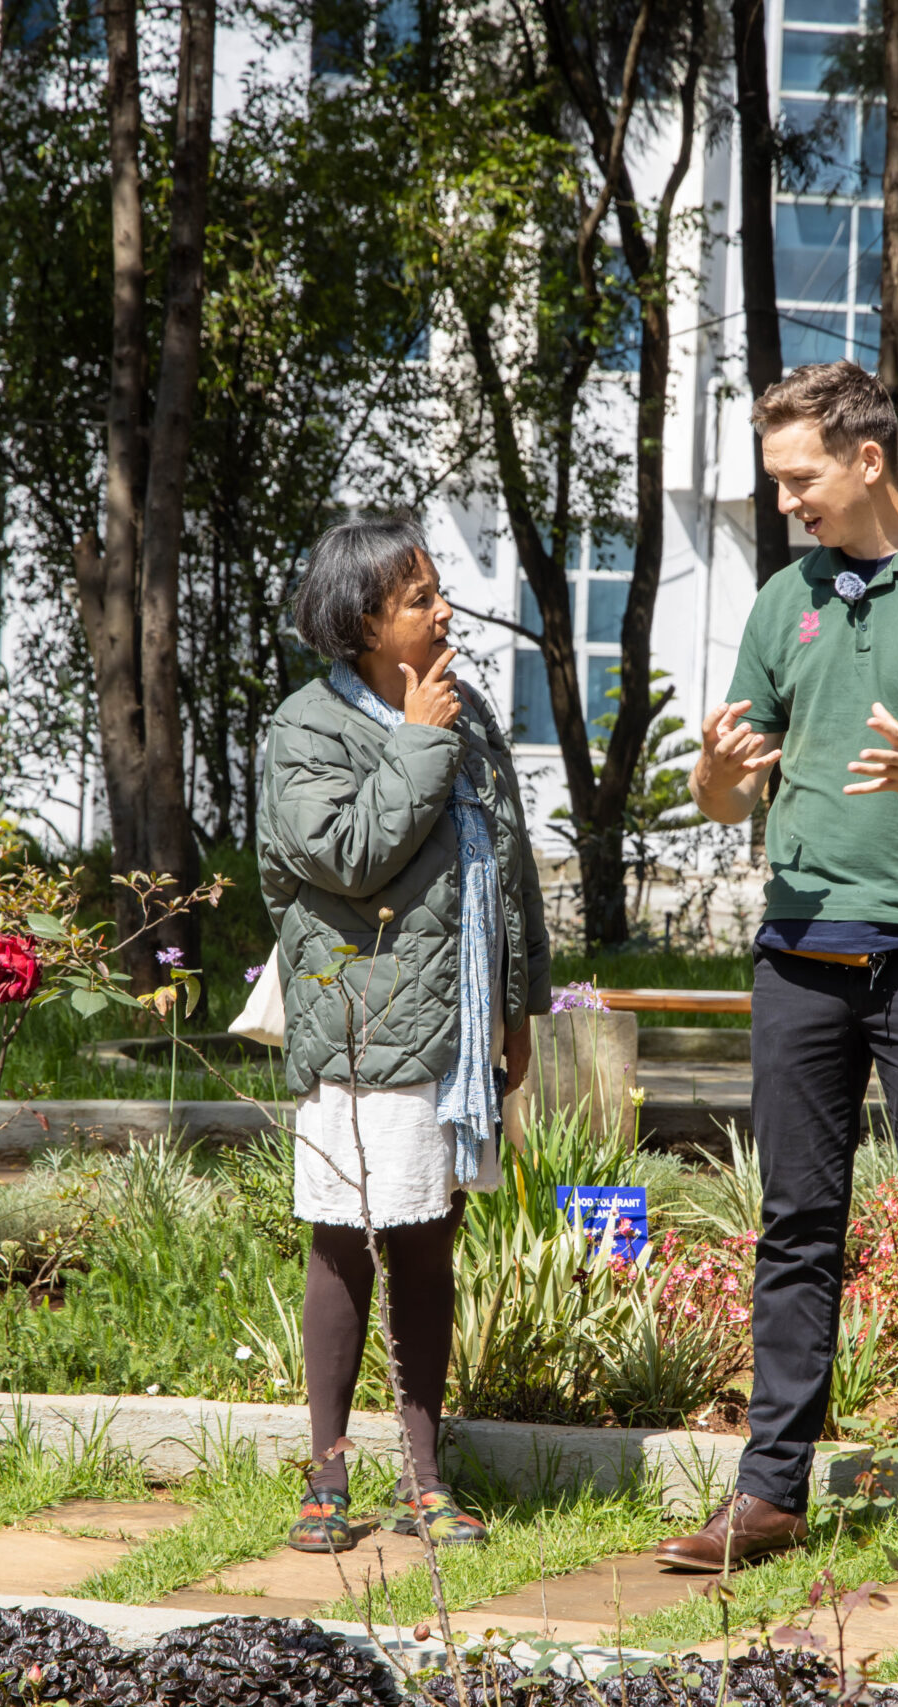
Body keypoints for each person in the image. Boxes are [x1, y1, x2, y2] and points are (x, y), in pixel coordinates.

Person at [659, 362, 898, 1599]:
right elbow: (725, 792)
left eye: (800, 479)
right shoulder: (788, 600)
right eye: (778, 482)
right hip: (800, 952)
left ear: (867, 460)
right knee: (794, 1225)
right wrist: (717, 776)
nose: (787, 505)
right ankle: (769, 1495)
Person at [259, 516, 552, 1555]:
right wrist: (419, 741)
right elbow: (342, 855)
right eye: (419, 596)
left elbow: (509, 876)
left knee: (430, 1246)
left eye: (436, 591)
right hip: (357, 1026)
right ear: (363, 620)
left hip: (456, 1032)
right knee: (345, 1244)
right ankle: (327, 1478)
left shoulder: (464, 714)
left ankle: (426, 1478)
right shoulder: (307, 729)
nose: (443, 611)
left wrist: (517, 1013)